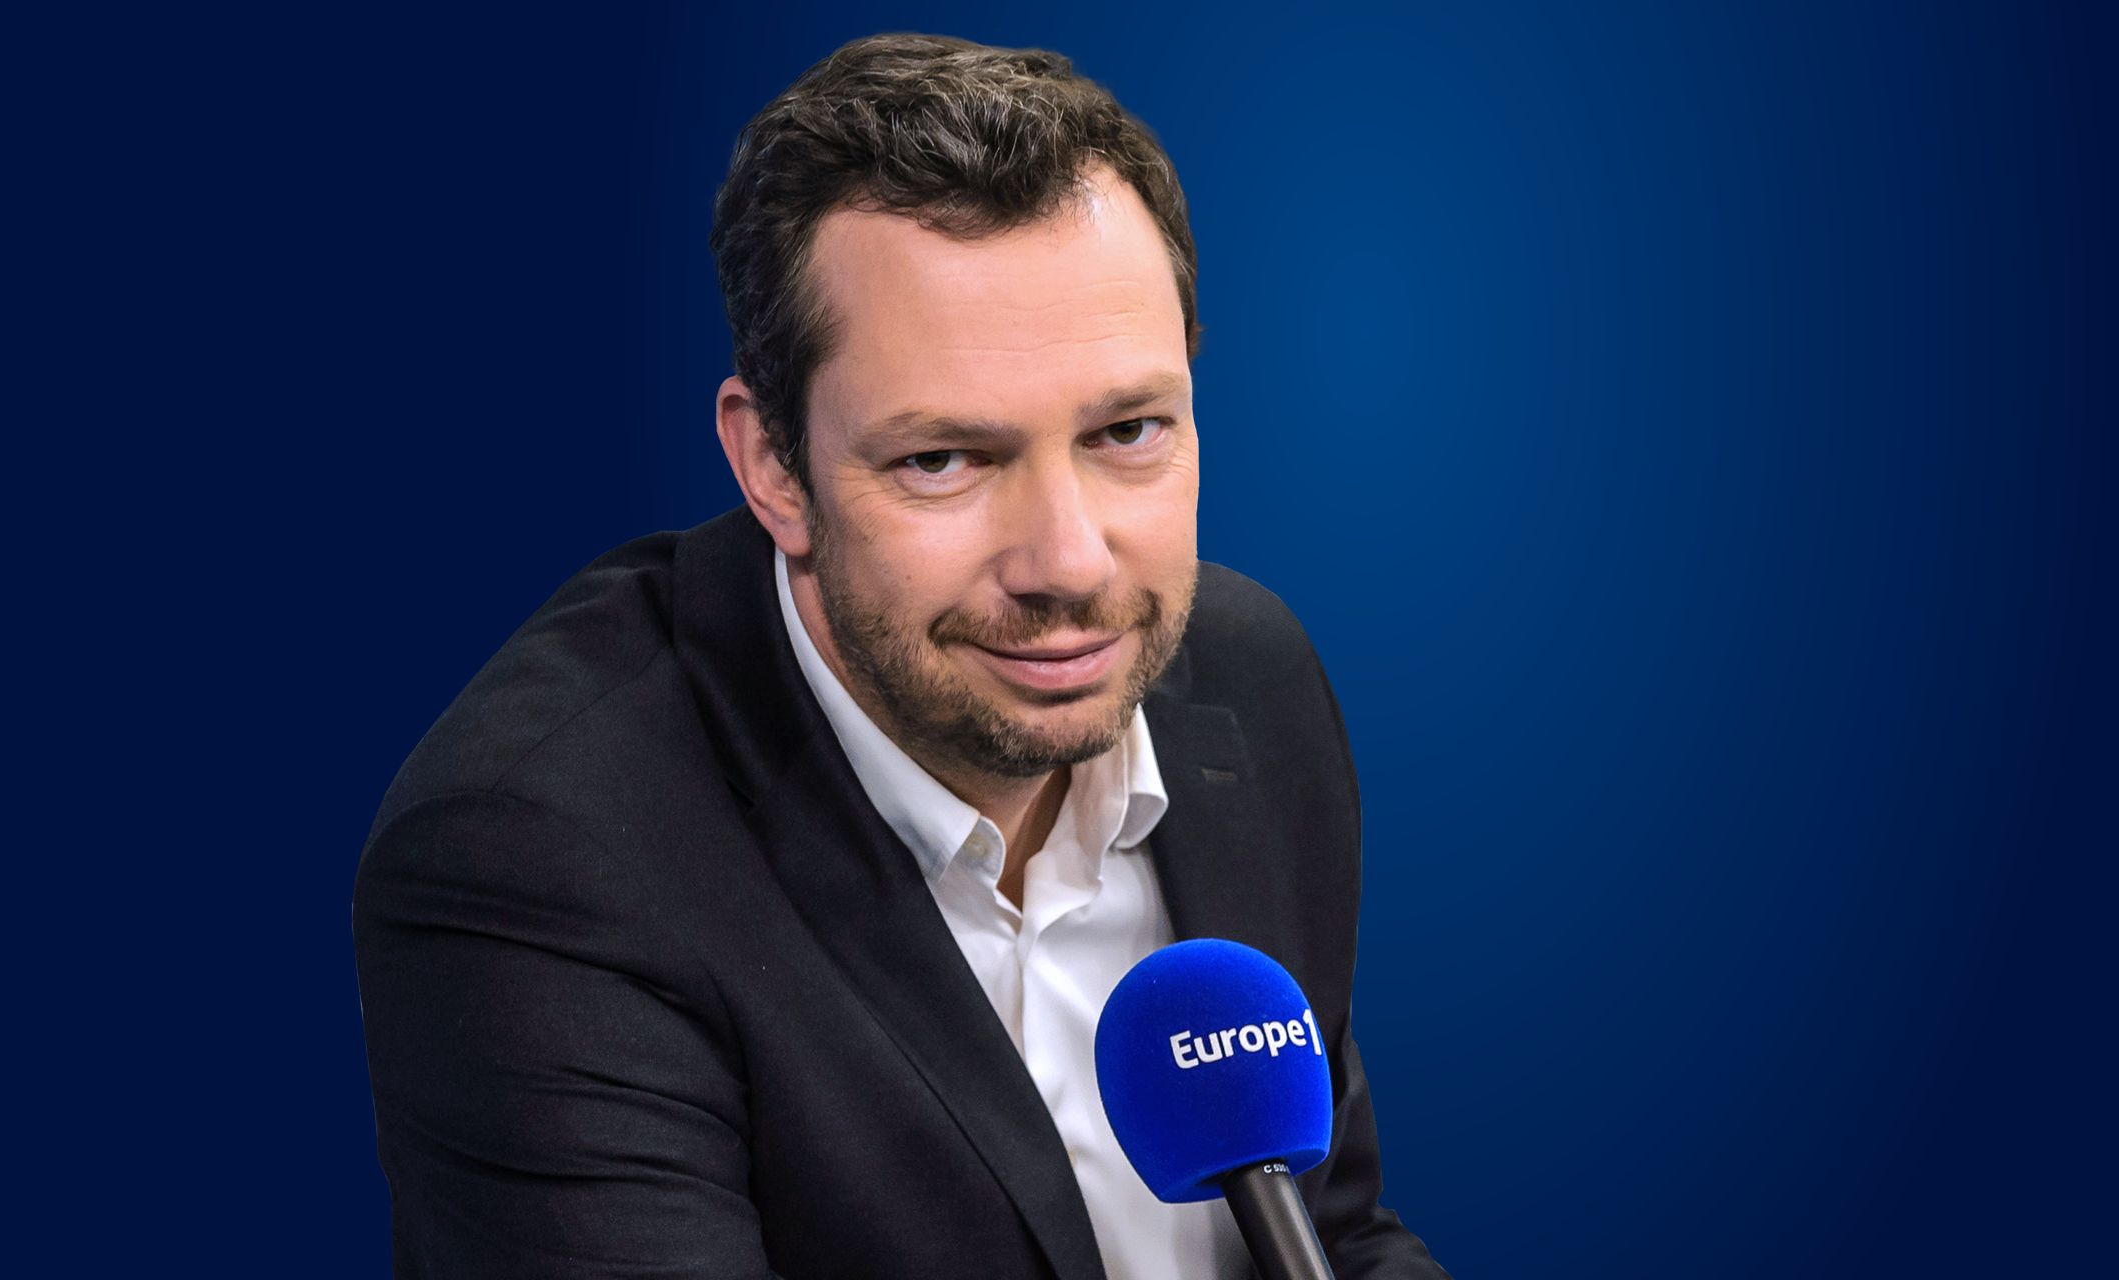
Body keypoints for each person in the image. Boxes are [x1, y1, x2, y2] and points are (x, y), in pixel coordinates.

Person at [352, 32, 1453, 1279]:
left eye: (1128, 431)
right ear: (774, 466)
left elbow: (1331, 1228)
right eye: (943, 459)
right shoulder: (540, 856)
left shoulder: (1247, 678)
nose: (1068, 562)